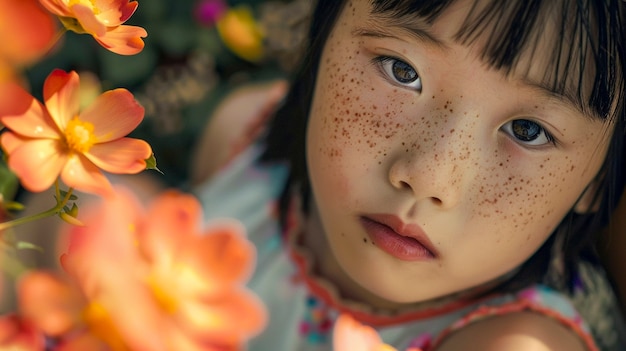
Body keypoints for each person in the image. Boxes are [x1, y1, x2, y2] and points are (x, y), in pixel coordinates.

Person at [191, 0, 626, 350]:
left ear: (598, 177)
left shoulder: (514, 344)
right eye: (402, 71)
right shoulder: (243, 137)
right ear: (322, 34)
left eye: (527, 131)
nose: (429, 177)